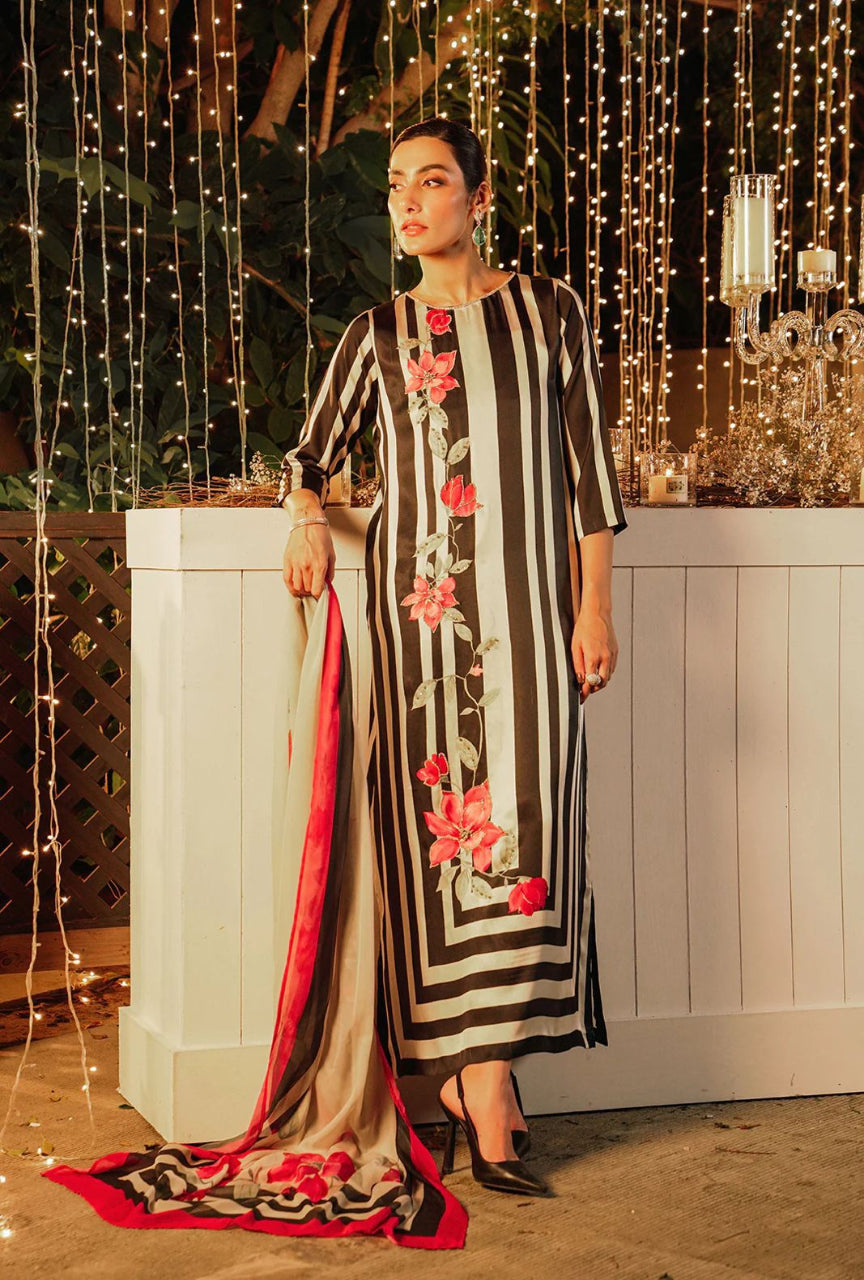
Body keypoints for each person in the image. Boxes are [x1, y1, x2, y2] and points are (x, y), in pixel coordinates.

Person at [277, 116, 628, 1196]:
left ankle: (492, 1074)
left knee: (530, 834)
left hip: (535, 624)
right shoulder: (375, 334)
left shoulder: (549, 312)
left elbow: (590, 476)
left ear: (478, 197)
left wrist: (594, 609)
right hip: (420, 631)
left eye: (432, 181)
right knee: (437, 851)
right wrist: (305, 519)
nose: (408, 201)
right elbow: (309, 457)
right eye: (396, 185)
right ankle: (483, 1087)